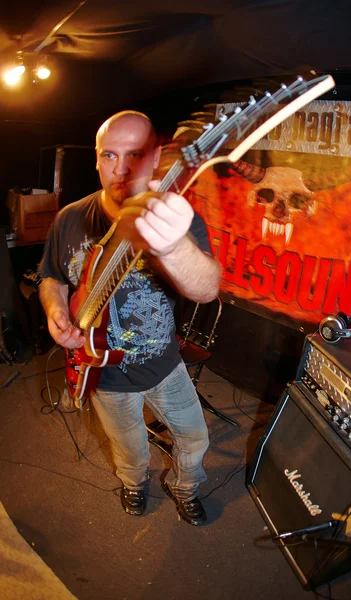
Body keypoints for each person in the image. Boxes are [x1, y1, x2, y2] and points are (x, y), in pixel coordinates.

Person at [39, 110, 221, 524]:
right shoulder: (69, 218)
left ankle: (185, 488)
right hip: (105, 375)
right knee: (130, 448)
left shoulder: (176, 220)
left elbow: (207, 288)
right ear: (97, 159)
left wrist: (172, 247)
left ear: (156, 158)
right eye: (109, 156)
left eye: (135, 154)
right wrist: (55, 312)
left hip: (164, 365)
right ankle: (133, 485)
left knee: (194, 439)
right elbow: (51, 277)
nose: (120, 170)